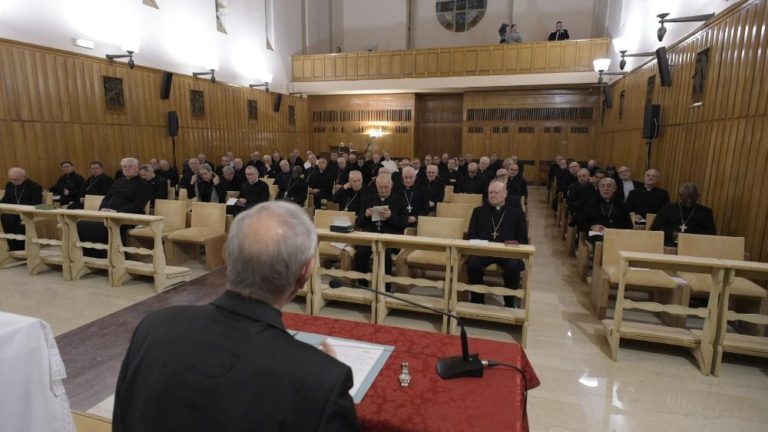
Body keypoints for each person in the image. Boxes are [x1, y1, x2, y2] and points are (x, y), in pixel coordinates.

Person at [113, 201, 360, 431]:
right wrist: (314, 367)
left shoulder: (154, 327)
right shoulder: (323, 379)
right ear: (305, 273)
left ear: (226, 256)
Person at [467, 180, 528, 308]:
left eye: (496, 192)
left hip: (507, 253)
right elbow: (471, 235)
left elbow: (523, 240)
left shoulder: (516, 214)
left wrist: (509, 246)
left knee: (513, 268)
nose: (493, 195)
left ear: (505, 194)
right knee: (472, 264)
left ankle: (509, 303)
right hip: (483, 252)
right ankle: (477, 300)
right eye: (490, 192)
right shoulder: (478, 211)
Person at [77, 158, 152, 258]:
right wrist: (102, 209)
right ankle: (90, 255)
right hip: (109, 214)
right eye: (124, 167)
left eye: (130, 166)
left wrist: (117, 211)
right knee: (82, 224)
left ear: (137, 168)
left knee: (103, 227)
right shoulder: (119, 181)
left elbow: (137, 205)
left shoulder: (143, 184)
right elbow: (107, 197)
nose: (127, 169)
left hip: (128, 216)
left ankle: (111, 256)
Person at [354, 174, 407, 290]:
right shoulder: (368, 200)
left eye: (386, 187)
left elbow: (403, 224)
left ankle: (385, 288)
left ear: (391, 186)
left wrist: (391, 216)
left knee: (385, 255)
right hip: (370, 238)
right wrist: (366, 215)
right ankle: (362, 285)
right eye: (380, 187)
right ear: (376, 186)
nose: (383, 190)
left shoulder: (400, 200)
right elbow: (359, 222)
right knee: (360, 253)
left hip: (390, 239)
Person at [652, 183, 717, 246]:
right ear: (680, 195)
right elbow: (656, 228)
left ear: (698, 196)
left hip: (696, 244)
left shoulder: (706, 212)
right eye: (686, 197)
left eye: (693, 197)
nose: (689, 200)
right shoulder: (667, 209)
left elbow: (711, 233)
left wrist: (691, 236)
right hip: (670, 242)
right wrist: (672, 234)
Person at [577, 177, 632, 243]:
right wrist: (592, 227)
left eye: (609, 186)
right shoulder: (590, 203)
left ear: (614, 189)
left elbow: (629, 225)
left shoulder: (621, 204)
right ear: (599, 189)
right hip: (596, 234)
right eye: (602, 186)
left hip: (616, 234)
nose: (606, 189)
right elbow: (580, 221)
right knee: (602, 240)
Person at [1, 167, 43, 251]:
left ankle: (20, 247)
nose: (14, 181)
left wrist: (20, 207)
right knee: (5, 218)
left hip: (26, 213)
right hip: (11, 212)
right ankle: (10, 245)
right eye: (12, 179)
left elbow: (36, 203)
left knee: (16, 220)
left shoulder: (34, 186)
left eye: (16, 179)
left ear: (23, 176)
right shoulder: (9, 185)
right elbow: (5, 199)